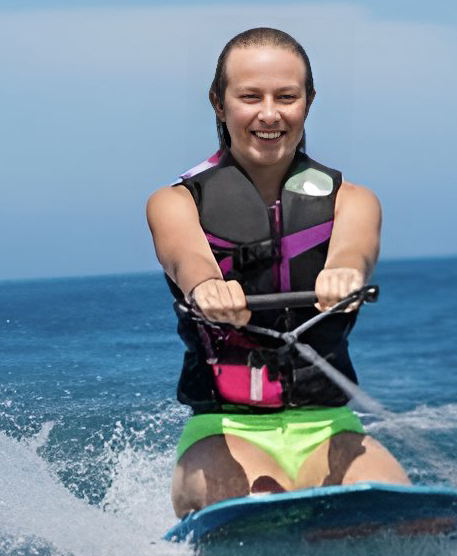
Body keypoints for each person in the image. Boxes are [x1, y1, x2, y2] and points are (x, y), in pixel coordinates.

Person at [147, 27, 409, 517]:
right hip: (226, 431)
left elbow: (354, 252)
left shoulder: (353, 200)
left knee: (388, 508)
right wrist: (207, 288)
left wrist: (343, 277)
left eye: (286, 97)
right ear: (219, 104)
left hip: (328, 427)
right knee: (259, 505)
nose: (269, 114)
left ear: (308, 102)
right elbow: (188, 260)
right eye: (250, 97)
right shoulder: (175, 203)